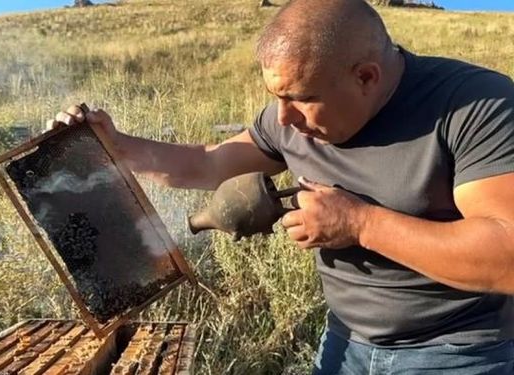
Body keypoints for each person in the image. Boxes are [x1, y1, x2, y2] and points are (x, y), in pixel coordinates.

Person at [49, 0, 514, 373]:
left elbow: (507, 256)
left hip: (457, 353)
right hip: (345, 343)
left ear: (366, 77)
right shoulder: (291, 116)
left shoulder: (475, 106)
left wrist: (360, 223)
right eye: (277, 98)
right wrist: (116, 146)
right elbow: (209, 165)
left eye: (300, 99)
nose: (284, 118)